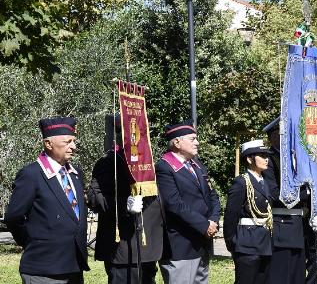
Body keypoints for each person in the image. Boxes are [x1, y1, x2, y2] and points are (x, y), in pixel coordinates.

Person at [4, 117, 89, 283]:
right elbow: (13, 217)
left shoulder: (76, 173)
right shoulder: (32, 174)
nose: (74, 147)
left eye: (74, 141)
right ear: (48, 144)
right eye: (67, 142)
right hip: (44, 269)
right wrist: (33, 241)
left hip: (73, 266)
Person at [87, 115, 163, 284]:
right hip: (122, 250)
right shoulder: (109, 162)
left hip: (147, 248)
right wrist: (124, 205)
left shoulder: (147, 162)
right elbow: (94, 198)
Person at [155, 120, 221, 284]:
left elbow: (212, 196)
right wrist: (204, 225)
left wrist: (213, 220)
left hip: (202, 242)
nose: (197, 143)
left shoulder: (197, 165)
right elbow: (174, 204)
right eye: (192, 139)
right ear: (177, 142)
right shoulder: (165, 167)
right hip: (180, 245)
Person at [262, 117, 309, 284]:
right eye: (286, 133)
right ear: (274, 136)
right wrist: (306, 194)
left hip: (299, 225)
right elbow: (273, 193)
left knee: (297, 277)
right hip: (282, 224)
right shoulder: (269, 160)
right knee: (280, 276)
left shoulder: (296, 158)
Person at [224, 140, 273, 284]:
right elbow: (231, 215)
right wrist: (232, 242)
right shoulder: (242, 182)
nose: (266, 159)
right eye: (262, 155)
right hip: (247, 244)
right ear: (249, 158)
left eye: (267, 156)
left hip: (264, 243)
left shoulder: (265, 182)